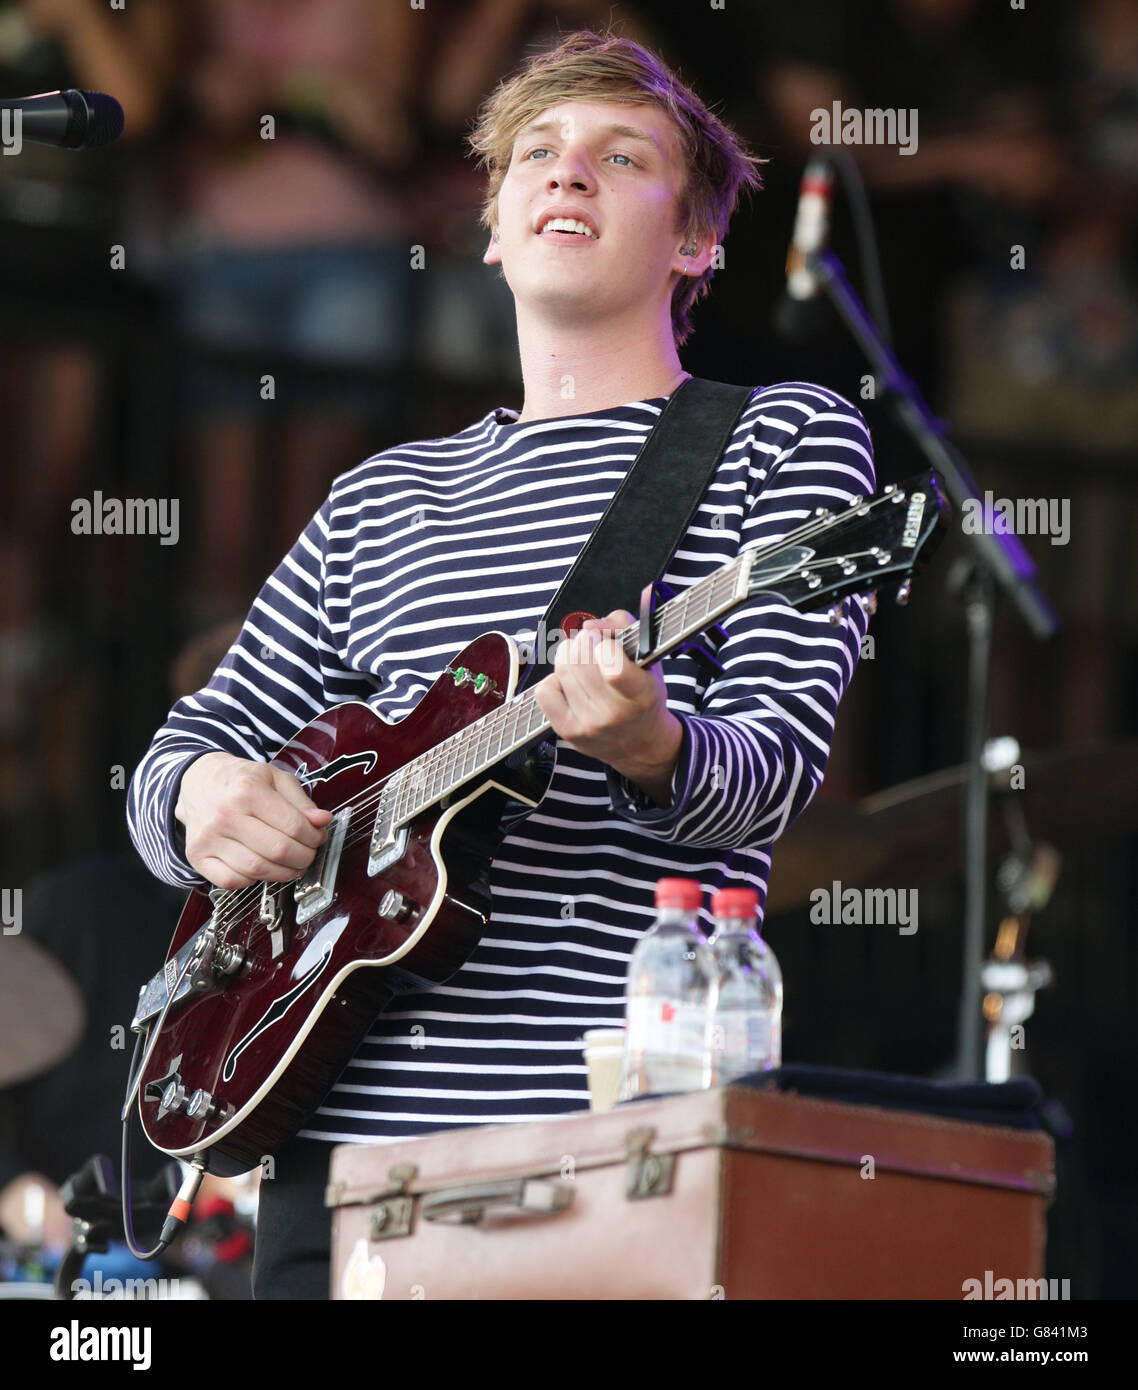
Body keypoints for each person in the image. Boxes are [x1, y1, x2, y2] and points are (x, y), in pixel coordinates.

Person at [127, 31, 876, 1299]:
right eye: (538, 153)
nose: (567, 173)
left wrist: (653, 743)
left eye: (618, 157)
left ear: (695, 242)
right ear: (491, 229)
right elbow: (174, 761)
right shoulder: (382, 495)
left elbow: (772, 775)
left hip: (591, 1140)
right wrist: (205, 797)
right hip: (335, 1141)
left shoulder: (776, 440)